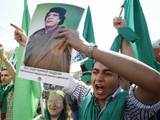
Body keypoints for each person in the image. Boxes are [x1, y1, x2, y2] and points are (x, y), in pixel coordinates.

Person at [44, 23, 160, 120]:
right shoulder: (85, 94)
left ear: (119, 79)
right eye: (95, 72)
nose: (98, 78)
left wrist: (87, 48)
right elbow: (56, 75)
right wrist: (31, 45)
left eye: (107, 73)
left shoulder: (129, 105)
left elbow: (156, 84)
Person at [16, 7, 71, 72]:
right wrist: (25, 43)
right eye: (48, 15)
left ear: (60, 19)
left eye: (55, 15)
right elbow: (29, 50)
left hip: (55, 77)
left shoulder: (65, 34)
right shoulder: (36, 34)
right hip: (33, 75)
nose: (50, 17)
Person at [0, 45, 15, 120]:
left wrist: (4, 58)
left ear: (11, 76)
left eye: (6, 75)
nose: (3, 77)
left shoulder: (14, 88)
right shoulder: (1, 89)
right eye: (2, 75)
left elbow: (15, 75)